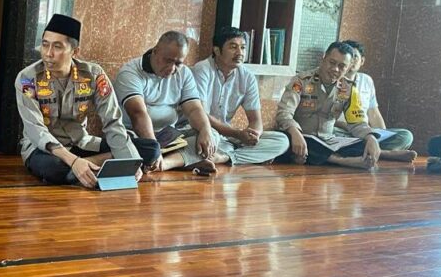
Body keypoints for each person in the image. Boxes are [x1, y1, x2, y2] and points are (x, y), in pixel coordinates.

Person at [15, 14, 159, 188]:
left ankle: (85, 167)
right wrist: (74, 161)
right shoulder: (27, 78)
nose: (48, 53)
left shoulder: (94, 75)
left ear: (75, 52)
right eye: (45, 44)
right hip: (44, 149)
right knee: (55, 169)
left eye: (57, 46)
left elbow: (112, 121)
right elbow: (35, 129)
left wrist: (129, 160)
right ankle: (90, 165)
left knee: (151, 149)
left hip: (81, 143)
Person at [275, 42, 416, 169]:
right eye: (332, 63)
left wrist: (371, 138)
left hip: (328, 139)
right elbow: (284, 114)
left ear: (348, 68)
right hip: (301, 136)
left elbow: (357, 122)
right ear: (323, 59)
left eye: (342, 66)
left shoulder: (348, 88)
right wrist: (295, 132)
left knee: (362, 144)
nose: (335, 69)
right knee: (292, 143)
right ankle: (343, 161)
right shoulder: (301, 81)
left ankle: (379, 152)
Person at [114, 31, 221, 175]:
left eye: (178, 63)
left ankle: (164, 164)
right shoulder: (130, 73)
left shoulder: (184, 74)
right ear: (155, 51)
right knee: (126, 146)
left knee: (212, 135)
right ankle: (180, 160)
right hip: (137, 135)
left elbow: (194, 109)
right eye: (167, 61)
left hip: (168, 136)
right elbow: (138, 114)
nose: (172, 68)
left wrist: (205, 130)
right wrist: (153, 147)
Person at [189, 27, 289, 165]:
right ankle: (234, 154)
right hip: (202, 129)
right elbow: (201, 114)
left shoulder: (247, 77)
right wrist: (237, 134)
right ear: (217, 50)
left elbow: (256, 120)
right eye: (233, 47)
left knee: (281, 141)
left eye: (243, 47)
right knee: (207, 138)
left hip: (229, 135)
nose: (240, 53)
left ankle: (226, 157)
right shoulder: (202, 69)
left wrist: (253, 136)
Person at [334, 40, 414, 151]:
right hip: (343, 131)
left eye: (355, 57)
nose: (351, 61)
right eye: (349, 57)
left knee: (406, 136)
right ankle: (378, 151)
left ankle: (367, 149)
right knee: (329, 134)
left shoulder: (367, 80)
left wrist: (383, 134)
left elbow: (374, 114)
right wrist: (353, 128)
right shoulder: (334, 80)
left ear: (362, 61)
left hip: (365, 132)